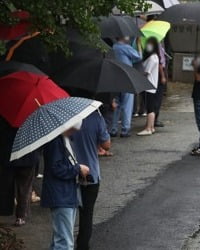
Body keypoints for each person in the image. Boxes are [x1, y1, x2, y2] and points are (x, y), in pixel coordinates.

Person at [41, 122, 90, 250]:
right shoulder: (56, 142)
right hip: (61, 195)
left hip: (66, 194)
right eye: (73, 128)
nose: (74, 131)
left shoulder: (64, 139)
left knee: (61, 239)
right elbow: (56, 168)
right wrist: (77, 169)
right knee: (65, 242)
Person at [73, 111, 111, 250]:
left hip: (69, 173)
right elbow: (106, 145)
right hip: (90, 174)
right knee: (86, 214)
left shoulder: (67, 117)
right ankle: (82, 245)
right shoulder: (96, 117)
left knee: (67, 214)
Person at [110, 36, 140, 137]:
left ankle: (113, 129)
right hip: (127, 77)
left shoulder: (114, 47)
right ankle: (125, 129)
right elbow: (138, 56)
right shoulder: (126, 47)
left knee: (117, 104)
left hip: (116, 77)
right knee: (127, 104)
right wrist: (139, 45)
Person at [137, 37, 160, 136]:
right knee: (151, 108)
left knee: (150, 108)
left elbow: (146, 72)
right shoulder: (154, 56)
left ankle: (148, 129)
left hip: (149, 86)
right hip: (152, 85)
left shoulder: (152, 58)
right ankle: (151, 127)